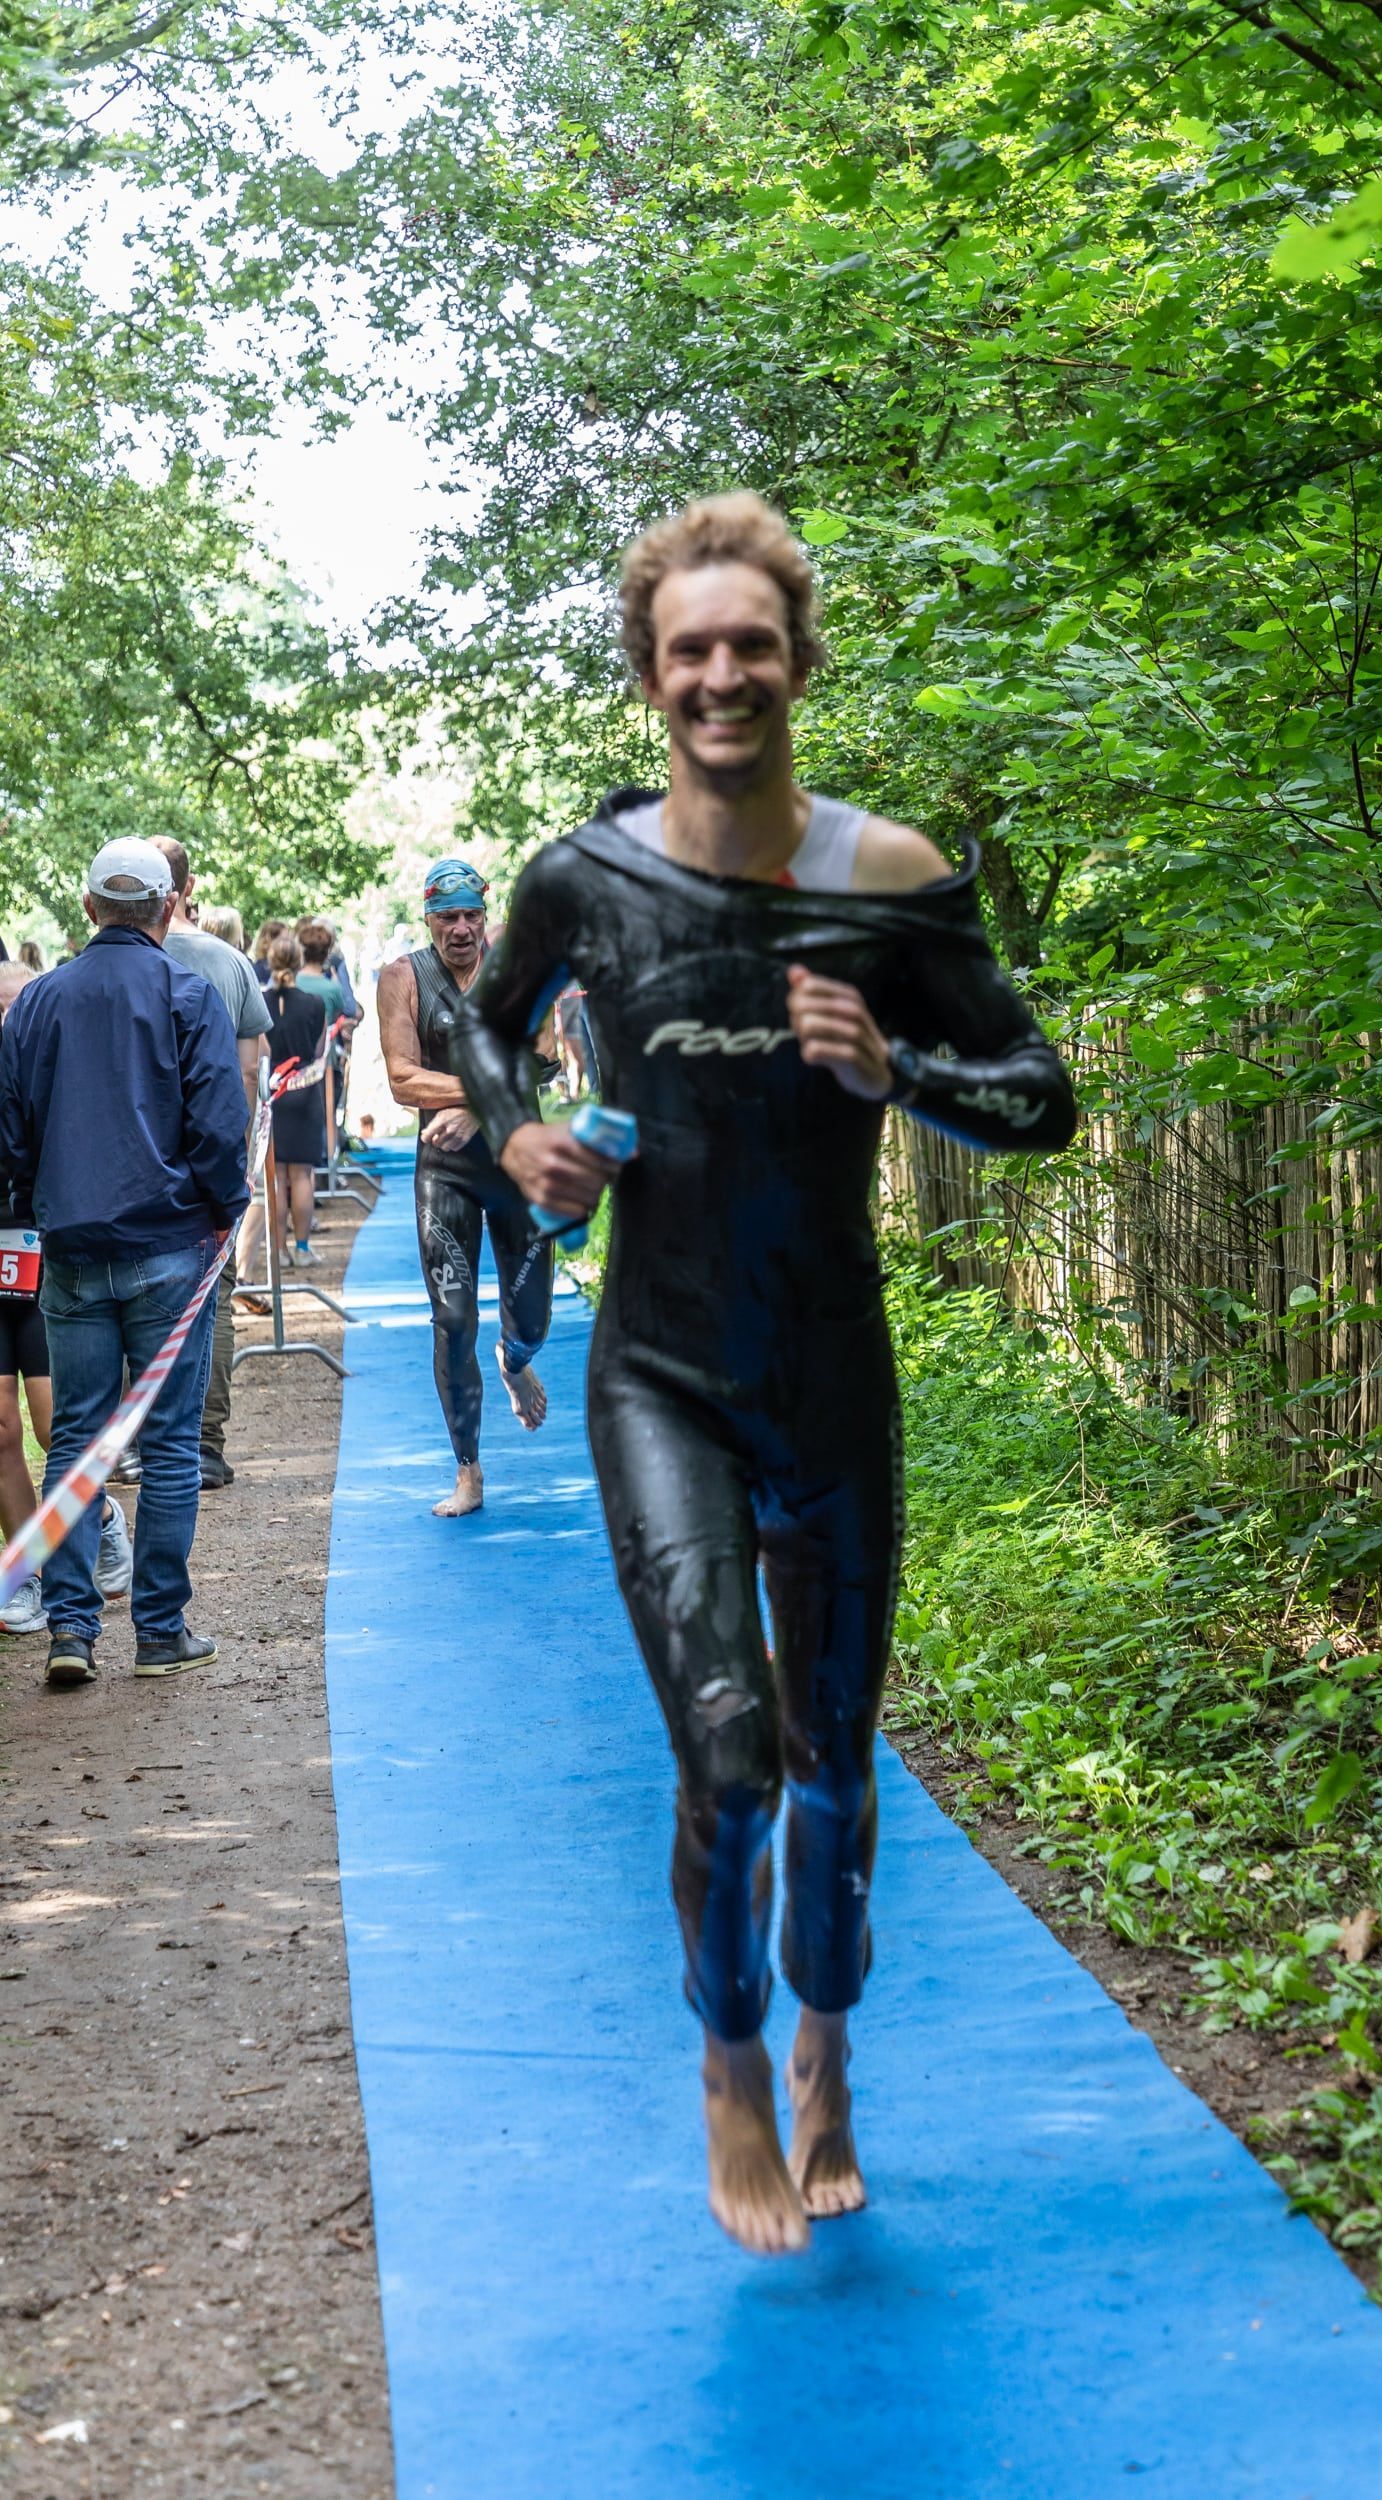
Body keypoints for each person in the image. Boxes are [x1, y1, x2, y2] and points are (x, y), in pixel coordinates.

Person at [452, 493, 1077, 2256]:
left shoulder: (888, 881)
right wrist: (518, 1135)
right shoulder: (582, 878)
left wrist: (897, 1071)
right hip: (656, 1371)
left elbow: (1039, 1096)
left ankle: (826, 2049)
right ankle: (729, 2061)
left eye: (748, 644)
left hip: (828, 1373)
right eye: (688, 650)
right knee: (725, 1755)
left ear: (796, 660)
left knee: (831, 1767)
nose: (719, 674)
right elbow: (491, 1028)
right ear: (649, 675)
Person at [0, 837, 248, 1687]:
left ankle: (71, 1628)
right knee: (170, 1443)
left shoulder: (38, 1001)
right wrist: (224, 1210)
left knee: (76, 1440)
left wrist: (42, 1200)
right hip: (169, 1245)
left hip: (71, 1249)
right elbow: (220, 1129)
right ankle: (159, 1630)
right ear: (168, 906)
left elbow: (10, 1132)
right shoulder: (187, 992)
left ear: (88, 907)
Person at [377, 860, 558, 1518]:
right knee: (453, 1322)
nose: (461, 928)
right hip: (445, 1168)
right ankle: (468, 1470)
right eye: (447, 917)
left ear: (485, 914)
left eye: (470, 915)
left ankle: (515, 1359)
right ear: (428, 919)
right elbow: (402, 1079)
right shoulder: (402, 978)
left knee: (531, 1320)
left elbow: (545, 1053)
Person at [0, 964, 132, 1634]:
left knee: (57, 1428)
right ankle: (27, 1571)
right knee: (0, 1429)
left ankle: (100, 1517)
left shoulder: (60, 1068)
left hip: (47, 1261)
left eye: (13, 1007)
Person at [155, 839, 271, 1492]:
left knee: (134, 1290)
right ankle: (204, 1443)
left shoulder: (108, 960)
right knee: (213, 1296)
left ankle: (138, 1445)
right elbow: (250, 1070)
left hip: (138, 1158)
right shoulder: (229, 961)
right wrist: (238, 1151)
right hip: (212, 1153)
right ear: (189, 886)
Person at [262, 932, 329, 1267]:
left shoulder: (260, 1001)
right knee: (302, 1174)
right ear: (299, 961)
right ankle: (302, 1248)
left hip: (271, 1090)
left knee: (276, 1177)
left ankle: (279, 1251)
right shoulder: (314, 1004)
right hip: (303, 1088)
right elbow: (319, 1050)